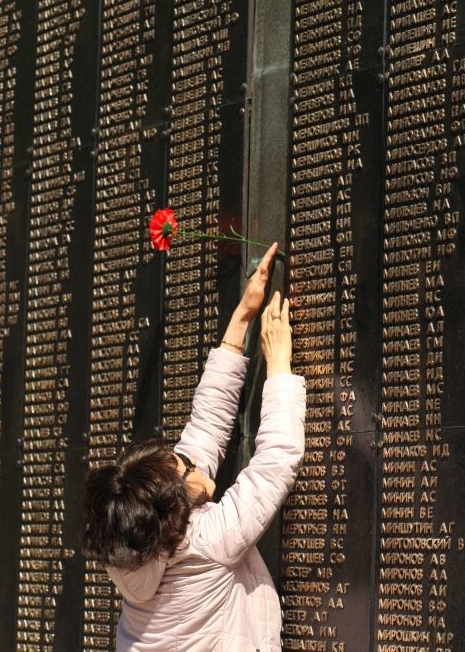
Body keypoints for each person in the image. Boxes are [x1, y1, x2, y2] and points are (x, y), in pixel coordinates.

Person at [81, 243, 304, 651]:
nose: (189, 460)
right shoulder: (208, 540)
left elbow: (204, 429)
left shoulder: (131, 546)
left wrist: (241, 320)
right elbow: (274, 462)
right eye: (183, 467)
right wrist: (279, 366)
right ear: (176, 499)